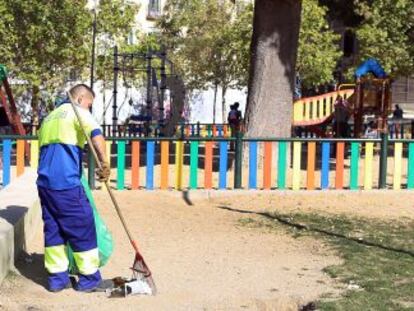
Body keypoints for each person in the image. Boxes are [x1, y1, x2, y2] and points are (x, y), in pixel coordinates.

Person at [37, 84, 110, 292]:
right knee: (82, 225)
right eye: (90, 104)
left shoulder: (49, 117)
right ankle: (89, 279)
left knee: (54, 229)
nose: (90, 108)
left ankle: (57, 279)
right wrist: (105, 163)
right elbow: (96, 134)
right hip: (66, 182)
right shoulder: (78, 112)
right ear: (80, 99)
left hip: (44, 183)